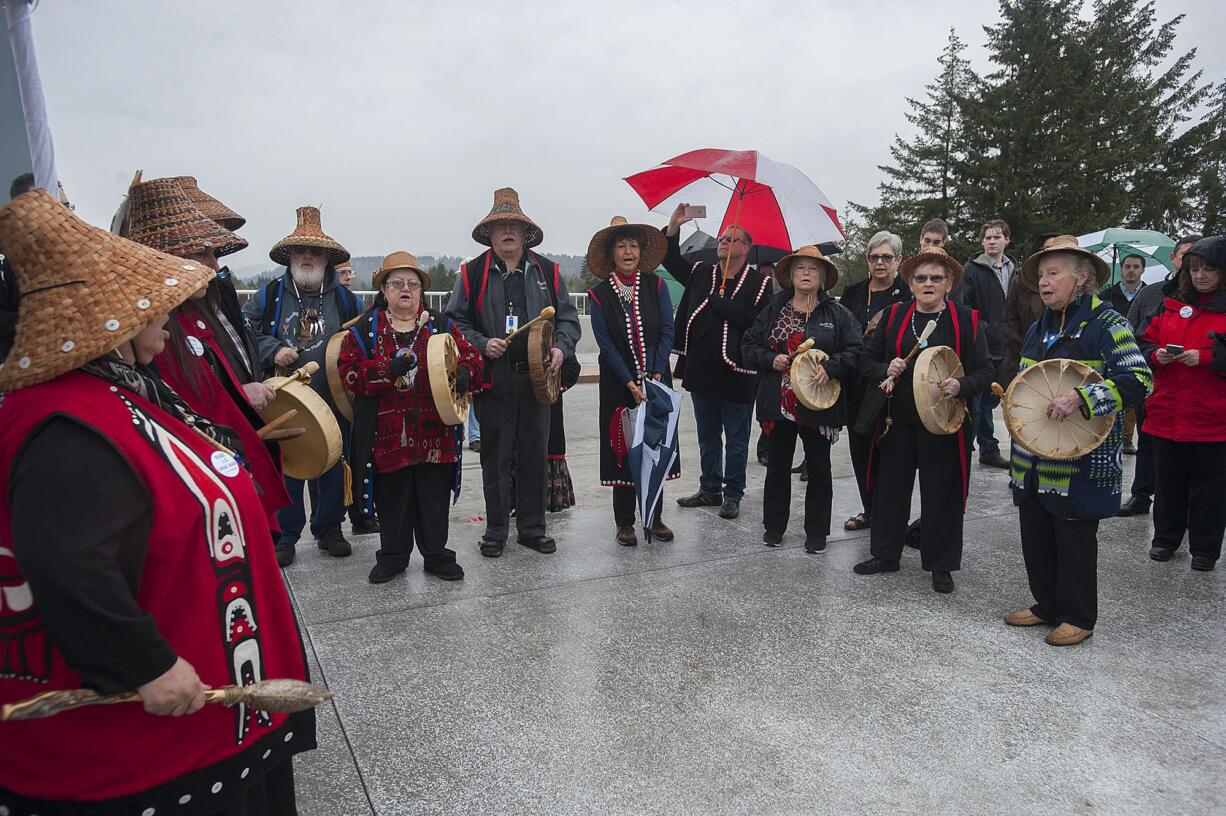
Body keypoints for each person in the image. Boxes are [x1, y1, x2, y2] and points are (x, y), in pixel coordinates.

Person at [0, 190, 314, 814]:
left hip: (196, 728)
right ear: (114, 319)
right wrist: (145, 665)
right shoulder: (63, 423)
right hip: (145, 759)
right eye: (154, 298)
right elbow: (65, 558)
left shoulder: (109, 392)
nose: (168, 311)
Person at [1005, 236, 1152, 645]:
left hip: (1079, 461)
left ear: (1082, 277)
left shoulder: (1108, 324)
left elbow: (1140, 379)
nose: (1045, 282)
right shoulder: (1041, 326)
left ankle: (1079, 616)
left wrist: (1084, 397)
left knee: (1073, 539)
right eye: (1041, 275)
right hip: (1033, 458)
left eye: (1054, 273)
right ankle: (1047, 605)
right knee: (1036, 534)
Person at [123, 176, 290, 529]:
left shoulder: (191, 314)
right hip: (200, 501)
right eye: (203, 252)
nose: (215, 267)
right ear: (166, 258)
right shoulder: (157, 334)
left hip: (221, 488)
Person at [445, 187, 581, 558]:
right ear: (490, 234)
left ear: (525, 234)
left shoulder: (549, 273)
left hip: (538, 381)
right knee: (496, 457)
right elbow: (455, 322)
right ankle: (496, 529)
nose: (507, 231)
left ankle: (533, 529)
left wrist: (560, 347)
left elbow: (568, 321)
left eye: (514, 226)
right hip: (493, 381)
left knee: (536, 454)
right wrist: (481, 343)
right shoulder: (471, 273)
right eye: (500, 225)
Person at [854, 247, 992, 593]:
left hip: (945, 423)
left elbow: (986, 369)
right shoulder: (893, 316)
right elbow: (865, 361)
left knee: (942, 493)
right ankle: (886, 554)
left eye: (936, 278)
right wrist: (886, 367)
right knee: (890, 489)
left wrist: (961, 384)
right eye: (921, 278)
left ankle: (941, 564)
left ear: (948, 284)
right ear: (911, 283)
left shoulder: (967, 319)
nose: (928, 283)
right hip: (897, 420)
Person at [339, 251, 482, 584]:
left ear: (420, 291)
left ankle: (436, 555)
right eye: (397, 283)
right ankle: (393, 556)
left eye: (412, 284)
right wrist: (385, 370)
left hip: (435, 434)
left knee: (433, 496)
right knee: (392, 499)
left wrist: (465, 372)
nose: (406, 289)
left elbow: (473, 358)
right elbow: (349, 374)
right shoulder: (364, 331)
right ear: (384, 290)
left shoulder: (442, 326)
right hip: (387, 437)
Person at [243, 206, 363, 566]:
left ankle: (329, 528)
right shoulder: (269, 296)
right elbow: (244, 331)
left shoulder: (345, 299)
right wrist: (271, 349)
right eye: (301, 251)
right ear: (290, 256)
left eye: (315, 252)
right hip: (284, 400)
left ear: (327, 258)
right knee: (288, 466)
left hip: (332, 398)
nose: (307, 257)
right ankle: (285, 535)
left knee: (331, 462)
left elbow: (360, 338)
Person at [743, 246, 862, 553]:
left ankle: (817, 532)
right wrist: (771, 359)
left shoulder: (837, 314)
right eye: (800, 269)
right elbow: (749, 346)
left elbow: (855, 350)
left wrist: (832, 367)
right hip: (779, 402)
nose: (806, 274)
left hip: (819, 403)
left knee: (819, 469)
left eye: (813, 269)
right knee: (778, 466)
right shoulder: (773, 309)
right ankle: (774, 527)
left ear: (822, 276)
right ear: (791, 275)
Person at [661, 204, 771, 520]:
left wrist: (725, 307)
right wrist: (674, 226)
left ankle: (733, 494)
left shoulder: (760, 283)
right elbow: (670, 260)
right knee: (707, 437)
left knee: (736, 441)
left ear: (746, 248)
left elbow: (757, 323)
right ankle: (710, 489)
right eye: (723, 237)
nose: (723, 241)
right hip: (702, 369)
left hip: (738, 373)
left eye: (732, 239)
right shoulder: (701, 272)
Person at [1137, 236, 1226, 571]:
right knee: (1168, 483)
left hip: (1212, 418)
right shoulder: (1170, 304)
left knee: (1209, 489)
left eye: (1209, 269)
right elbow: (1142, 342)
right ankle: (1165, 539)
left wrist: (1204, 358)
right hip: (1167, 412)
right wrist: (1155, 355)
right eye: (1195, 268)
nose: (1201, 275)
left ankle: (1205, 549)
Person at [587, 216, 677, 546]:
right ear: (612, 254)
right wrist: (629, 382)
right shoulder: (599, 296)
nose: (628, 251)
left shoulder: (656, 286)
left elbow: (667, 329)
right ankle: (624, 522)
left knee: (655, 446)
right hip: (617, 385)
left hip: (655, 382)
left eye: (634, 245)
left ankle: (654, 516)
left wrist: (654, 374)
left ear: (641, 252)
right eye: (622, 246)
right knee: (622, 449)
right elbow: (605, 343)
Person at [1118, 234, 1202, 516]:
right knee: (1147, 441)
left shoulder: (1212, 299)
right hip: (1154, 381)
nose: (1192, 263)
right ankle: (1141, 494)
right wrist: (1155, 353)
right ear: (1175, 258)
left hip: (1196, 389)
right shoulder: (1152, 292)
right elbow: (1132, 333)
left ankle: (1188, 504)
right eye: (1186, 255)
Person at [836, 231, 910, 531]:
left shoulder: (907, 293)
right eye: (874, 257)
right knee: (860, 449)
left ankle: (891, 515)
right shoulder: (853, 292)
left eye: (887, 257)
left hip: (891, 383)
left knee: (891, 455)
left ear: (899, 261)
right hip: (856, 383)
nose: (880, 263)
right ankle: (870, 509)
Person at [955, 219, 1014, 469]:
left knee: (993, 398)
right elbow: (965, 306)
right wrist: (982, 329)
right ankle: (975, 446)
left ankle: (988, 447)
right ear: (982, 242)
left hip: (1007, 343)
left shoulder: (1014, 268)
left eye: (997, 237)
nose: (992, 241)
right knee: (978, 401)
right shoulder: (972, 269)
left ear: (1006, 240)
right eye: (988, 237)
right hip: (983, 343)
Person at [1100, 253, 1147, 453]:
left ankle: (1127, 438)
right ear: (1121, 269)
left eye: (1136, 267)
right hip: (1111, 352)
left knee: (1133, 397)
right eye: (1127, 266)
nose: (1131, 270)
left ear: (1142, 270)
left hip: (1137, 348)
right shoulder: (1108, 295)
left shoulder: (1147, 293)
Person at [1001, 233, 1060, 387]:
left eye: (1056, 249)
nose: (1050, 254)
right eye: (1046, 249)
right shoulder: (1020, 282)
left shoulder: (1076, 293)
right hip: (1023, 358)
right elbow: (1010, 321)